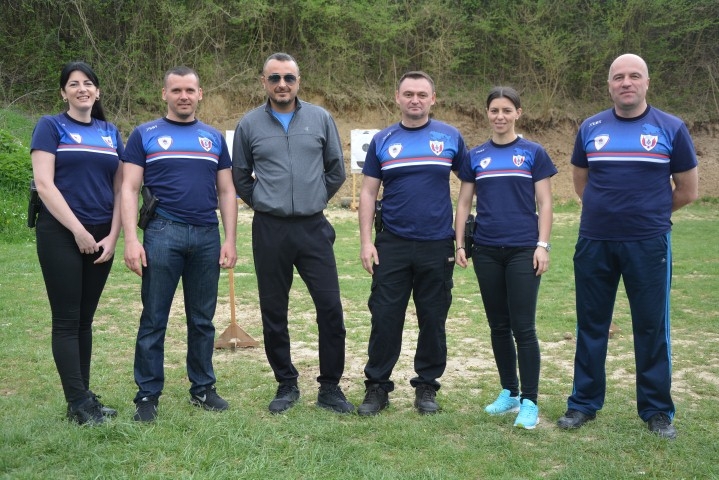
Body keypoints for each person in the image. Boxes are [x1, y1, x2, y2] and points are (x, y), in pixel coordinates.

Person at [557, 53, 699, 439]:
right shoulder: (591, 127)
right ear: (609, 85)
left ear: (647, 82)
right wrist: (607, 212)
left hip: (649, 244)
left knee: (651, 327)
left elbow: (688, 190)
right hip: (595, 242)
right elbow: (581, 182)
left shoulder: (671, 128)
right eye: (618, 77)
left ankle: (656, 411)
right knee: (591, 325)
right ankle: (583, 403)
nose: (626, 82)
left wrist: (647, 215)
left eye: (634, 76)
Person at [232, 52, 352, 414]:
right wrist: (265, 201)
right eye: (274, 78)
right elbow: (240, 177)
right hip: (270, 229)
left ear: (298, 81)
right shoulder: (249, 125)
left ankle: (330, 387)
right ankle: (286, 383)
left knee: (330, 308)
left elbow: (336, 169)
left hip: (313, 228)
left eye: (288, 78)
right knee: (274, 311)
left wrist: (314, 197)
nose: (282, 84)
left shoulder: (320, 118)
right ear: (263, 82)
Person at [121, 66, 238, 422]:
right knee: (154, 318)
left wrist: (230, 239)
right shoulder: (144, 134)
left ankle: (202, 388)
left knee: (202, 320)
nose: (183, 96)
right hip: (162, 233)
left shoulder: (213, 138)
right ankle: (147, 394)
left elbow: (227, 190)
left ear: (200, 94)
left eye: (190, 90)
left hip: (206, 235)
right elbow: (128, 188)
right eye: (176, 90)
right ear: (164, 94)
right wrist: (131, 240)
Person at [357, 71, 467, 416]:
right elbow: (368, 192)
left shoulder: (450, 137)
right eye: (408, 94)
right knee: (385, 316)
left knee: (433, 318)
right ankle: (377, 387)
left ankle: (426, 386)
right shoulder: (383, 140)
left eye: (421, 94)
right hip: (392, 244)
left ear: (433, 99)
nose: (415, 100)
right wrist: (366, 241)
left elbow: (469, 182)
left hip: (437, 243)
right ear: (397, 97)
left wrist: (461, 235)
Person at [455, 87, 557, 429]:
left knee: (523, 327)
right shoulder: (476, 156)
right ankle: (510, 392)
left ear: (518, 113)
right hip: (486, 250)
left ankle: (530, 401)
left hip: (523, 250)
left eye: (506, 110)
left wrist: (543, 245)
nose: (500, 116)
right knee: (498, 325)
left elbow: (545, 203)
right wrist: (460, 244)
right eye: (494, 110)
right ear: (487, 113)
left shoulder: (533, 153)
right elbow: (464, 203)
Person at [30, 61, 123, 425]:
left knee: (85, 320)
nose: (81, 88)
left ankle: (84, 397)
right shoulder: (50, 126)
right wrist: (78, 231)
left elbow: (121, 188)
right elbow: (44, 184)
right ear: (63, 92)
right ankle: (78, 404)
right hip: (61, 233)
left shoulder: (109, 132)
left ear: (97, 92)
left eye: (88, 83)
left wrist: (113, 235)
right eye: (73, 84)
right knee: (67, 320)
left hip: (102, 235)